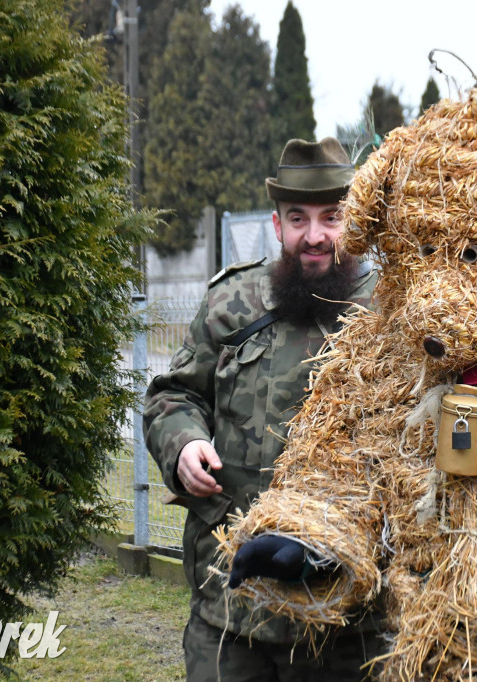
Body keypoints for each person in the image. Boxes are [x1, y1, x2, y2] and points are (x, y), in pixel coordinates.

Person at [143, 137, 380, 681]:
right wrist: (183, 444)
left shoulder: (392, 312)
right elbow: (171, 395)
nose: (314, 236)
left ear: (356, 220)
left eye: (331, 217)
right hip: (230, 607)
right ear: (277, 226)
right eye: (298, 219)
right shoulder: (233, 303)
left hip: (342, 621)